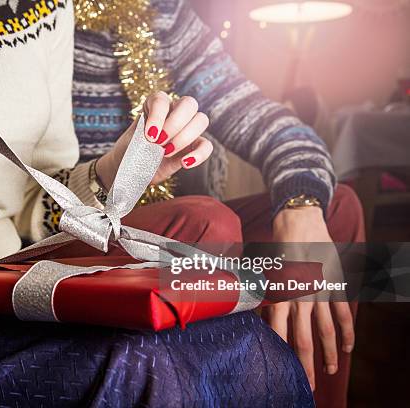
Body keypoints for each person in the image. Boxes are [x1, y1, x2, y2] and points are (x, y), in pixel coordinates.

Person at [0, 0, 314, 406]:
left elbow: (37, 211)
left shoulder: (47, 10)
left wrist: (117, 172)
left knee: (242, 345)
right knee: (135, 364)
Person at [70, 0, 364, 405]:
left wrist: (301, 206)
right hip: (74, 229)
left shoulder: (164, 16)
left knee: (336, 207)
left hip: (165, 231)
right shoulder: (35, 21)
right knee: (207, 220)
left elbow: (265, 120)